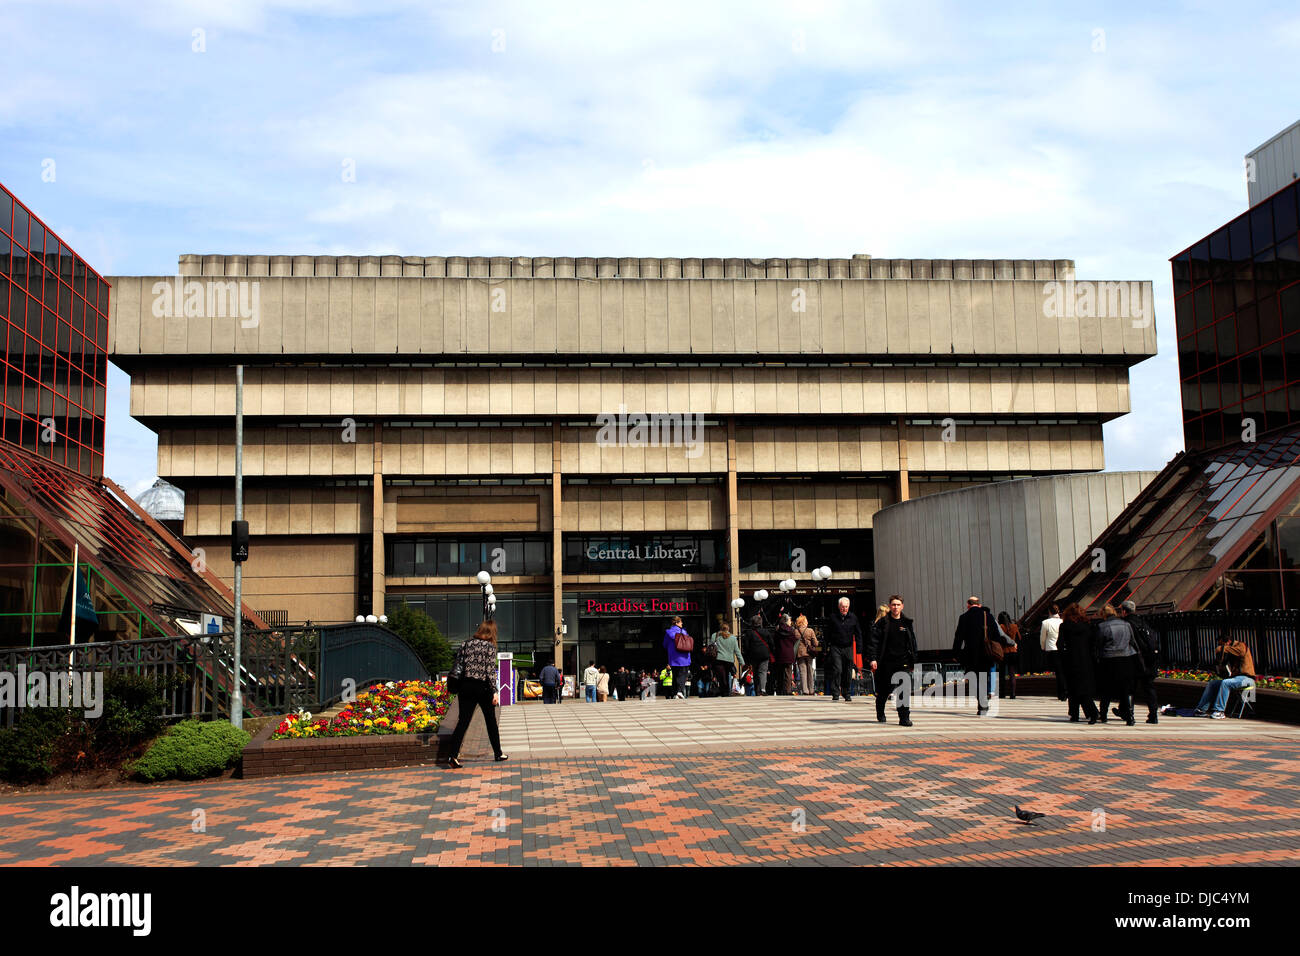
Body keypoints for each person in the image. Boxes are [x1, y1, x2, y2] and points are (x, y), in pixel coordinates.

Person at [444, 619, 507, 767]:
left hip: (465, 686)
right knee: (490, 721)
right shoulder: (489, 647)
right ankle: (498, 753)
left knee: (463, 721)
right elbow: (490, 671)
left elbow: (458, 665)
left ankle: (453, 755)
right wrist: (495, 692)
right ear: (492, 632)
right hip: (483, 687)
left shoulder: (465, 644)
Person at [868, 594, 918, 726]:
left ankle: (904, 718)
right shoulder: (883, 623)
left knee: (904, 691)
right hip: (886, 663)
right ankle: (880, 711)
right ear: (890, 606)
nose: (896, 607)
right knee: (885, 690)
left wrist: (913, 661)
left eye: (898, 605)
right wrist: (873, 659)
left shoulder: (906, 623)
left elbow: (912, 643)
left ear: (902, 606)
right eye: (893, 605)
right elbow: (874, 642)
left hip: (903, 662)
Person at [952, 596, 1000, 715]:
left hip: (970, 654)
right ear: (979, 604)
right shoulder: (988, 616)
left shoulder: (963, 617)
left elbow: (958, 637)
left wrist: (955, 653)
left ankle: (981, 701)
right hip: (985, 653)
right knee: (984, 677)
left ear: (968, 605)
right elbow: (996, 635)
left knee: (973, 679)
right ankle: (983, 704)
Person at [1095, 604, 1140, 725]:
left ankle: (1103, 714)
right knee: (1126, 688)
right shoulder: (1126, 624)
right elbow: (1132, 642)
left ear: (1103, 614)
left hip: (1109, 659)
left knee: (1106, 688)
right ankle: (1130, 716)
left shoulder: (1102, 626)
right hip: (1126, 658)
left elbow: (1098, 644)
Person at [1193, 633, 1257, 719]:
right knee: (1213, 684)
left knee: (1225, 683)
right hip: (1235, 678)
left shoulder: (1241, 645)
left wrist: (1222, 649)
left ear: (1229, 642)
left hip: (1247, 678)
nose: (1220, 646)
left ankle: (1219, 711)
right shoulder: (1229, 652)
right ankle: (1201, 710)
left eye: (1222, 644)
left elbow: (1240, 652)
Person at [1058, 603, 1099, 723]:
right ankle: (1089, 712)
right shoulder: (1087, 626)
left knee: (1072, 687)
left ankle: (1078, 713)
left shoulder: (1064, 626)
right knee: (1083, 687)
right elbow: (1093, 643)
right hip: (1086, 660)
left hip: (1070, 659)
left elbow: (1060, 644)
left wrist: (1062, 656)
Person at [1120, 600, 1160, 723]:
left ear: (1124, 611)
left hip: (1135, 660)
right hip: (1149, 661)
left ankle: (1129, 714)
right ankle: (1153, 715)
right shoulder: (1142, 621)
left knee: (1130, 688)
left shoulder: (1126, 623)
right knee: (1149, 688)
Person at [823, 597, 863, 702]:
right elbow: (827, 633)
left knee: (848, 671)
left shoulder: (853, 618)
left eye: (846, 607)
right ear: (839, 607)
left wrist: (859, 649)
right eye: (842, 607)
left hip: (848, 647)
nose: (844, 608)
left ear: (848, 607)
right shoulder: (832, 617)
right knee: (837, 669)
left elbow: (858, 634)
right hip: (835, 647)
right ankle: (835, 693)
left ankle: (847, 693)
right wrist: (826, 648)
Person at [1039, 604, 1066, 702]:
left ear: (1049, 612)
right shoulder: (1062, 621)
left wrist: (1043, 647)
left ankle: (1061, 693)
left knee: (1058, 672)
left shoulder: (1045, 622)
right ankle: (1064, 691)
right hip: (1062, 648)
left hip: (1051, 648)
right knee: (1062, 671)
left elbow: (1043, 637)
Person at [710, 622, 744, 698]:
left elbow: (711, 647)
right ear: (728, 629)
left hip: (718, 660)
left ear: (720, 628)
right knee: (727, 676)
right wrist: (742, 662)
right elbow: (737, 651)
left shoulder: (715, 636)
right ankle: (727, 692)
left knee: (721, 677)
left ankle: (723, 691)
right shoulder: (733, 638)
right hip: (729, 661)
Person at [663, 615, 692, 699]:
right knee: (682, 675)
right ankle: (679, 691)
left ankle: (675, 693)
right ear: (677, 623)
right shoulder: (683, 632)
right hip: (684, 657)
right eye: (681, 622)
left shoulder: (668, 633)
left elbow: (664, 645)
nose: (682, 623)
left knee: (675, 675)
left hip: (673, 658)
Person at [743, 614, 772, 696]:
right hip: (764, 655)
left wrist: (747, 657)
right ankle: (763, 689)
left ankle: (757, 690)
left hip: (754, 655)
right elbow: (771, 644)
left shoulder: (749, 633)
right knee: (763, 672)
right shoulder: (766, 631)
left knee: (755, 672)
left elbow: (746, 646)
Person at [773, 614, 799, 695]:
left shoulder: (777, 629)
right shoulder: (791, 630)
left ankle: (779, 690)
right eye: (790, 620)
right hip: (788, 654)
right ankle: (788, 690)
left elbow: (775, 641)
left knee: (780, 673)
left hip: (780, 653)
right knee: (788, 673)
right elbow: (795, 640)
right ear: (787, 621)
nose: (791, 622)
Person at [997, 611, 1019, 700]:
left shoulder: (1001, 627)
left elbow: (999, 639)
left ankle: (1002, 693)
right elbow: (1018, 638)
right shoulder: (1014, 626)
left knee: (1002, 673)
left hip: (1003, 651)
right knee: (1012, 673)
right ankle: (1013, 693)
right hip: (1013, 651)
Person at [794, 614, 817, 696]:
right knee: (810, 671)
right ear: (804, 622)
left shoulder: (795, 631)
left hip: (799, 654)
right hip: (809, 654)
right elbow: (816, 643)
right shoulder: (810, 630)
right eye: (806, 620)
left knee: (802, 672)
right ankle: (811, 690)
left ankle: (805, 690)